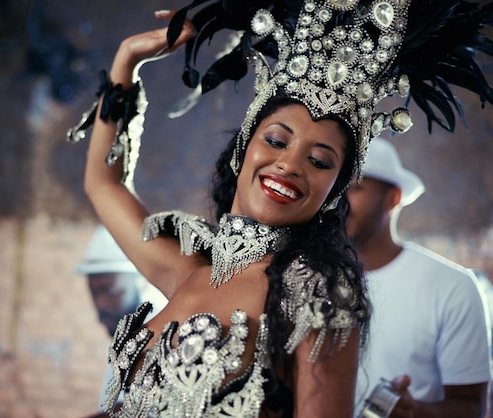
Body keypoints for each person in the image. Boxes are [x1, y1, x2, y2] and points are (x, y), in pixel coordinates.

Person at [69, 1, 493, 416]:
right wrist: (128, 59)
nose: (290, 164)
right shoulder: (188, 265)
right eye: (276, 140)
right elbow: (103, 183)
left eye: (320, 161)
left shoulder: (317, 300)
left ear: (334, 193)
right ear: (243, 148)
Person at [347, 137, 493, 417]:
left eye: (355, 188)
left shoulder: (453, 287)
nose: (339, 202)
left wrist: (413, 411)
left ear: (393, 198)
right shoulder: (302, 277)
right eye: (335, 189)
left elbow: (472, 406)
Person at [77, 225, 167, 413]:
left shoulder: (158, 335)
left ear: (141, 282)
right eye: (94, 293)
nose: (101, 303)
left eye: (111, 291)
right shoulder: (123, 337)